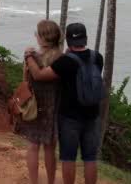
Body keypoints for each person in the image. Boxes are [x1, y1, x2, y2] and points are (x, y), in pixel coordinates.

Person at [25, 23, 103, 184]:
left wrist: (27, 56)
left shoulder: (64, 61)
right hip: (92, 114)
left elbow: (39, 76)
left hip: (69, 116)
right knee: (90, 158)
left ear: (67, 39)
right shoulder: (97, 57)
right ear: (86, 38)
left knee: (68, 157)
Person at [16, 20, 62, 184]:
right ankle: (51, 181)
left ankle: (34, 182)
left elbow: (27, 78)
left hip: (34, 107)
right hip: (53, 107)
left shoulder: (32, 56)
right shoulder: (60, 58)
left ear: (42, 38)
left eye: (37, 33)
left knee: (33, 146)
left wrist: (28, 56)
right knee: (50, 148)